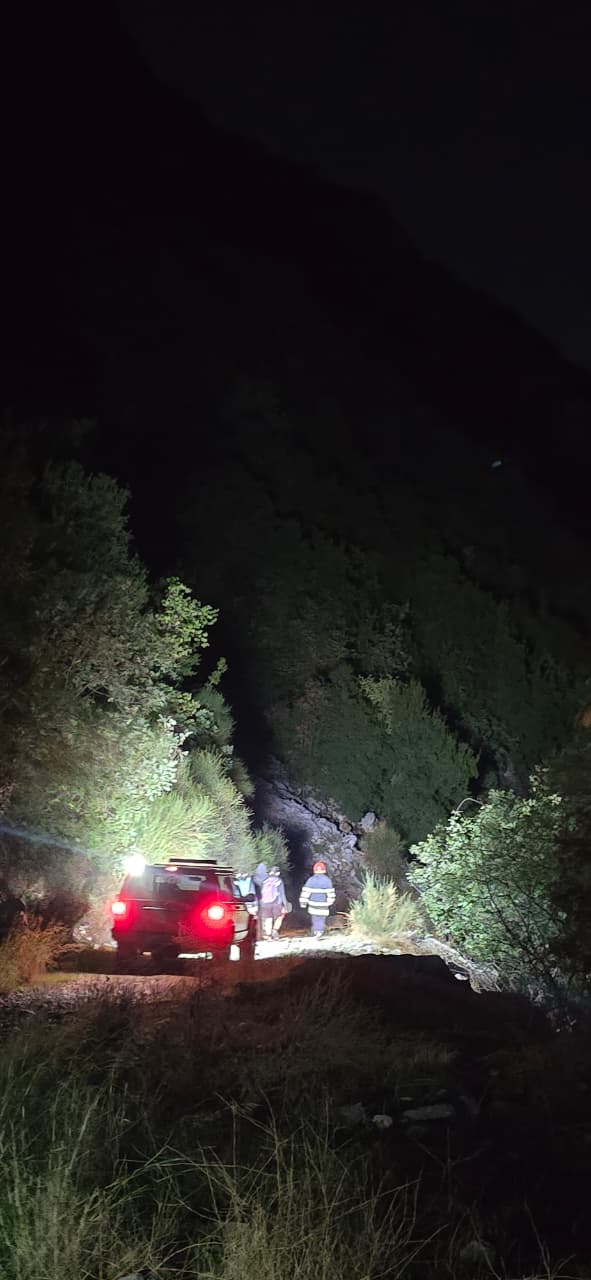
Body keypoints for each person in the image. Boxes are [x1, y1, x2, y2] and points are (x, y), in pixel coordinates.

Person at [299, 861, 335, 938]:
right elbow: (330, 892)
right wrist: (330, 901)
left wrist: (303, 903)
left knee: (315, 917)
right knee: (322, 917)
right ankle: (320, 931)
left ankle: (316, 930)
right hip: (323, 903)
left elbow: (306, 892)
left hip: (313, 903)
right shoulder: (327, 880)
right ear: (324, 870)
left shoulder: (311, 880)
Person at [260, 866, 288, 940]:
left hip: (265, 903)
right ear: (278, 873)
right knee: (280, 916)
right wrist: (285, 904)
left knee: (268, 918)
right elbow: (282, 894)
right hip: (276, 903)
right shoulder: (278, 881)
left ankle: (268, 935)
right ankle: (275, 930)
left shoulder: (265, 881)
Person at [252, 862, 268, 940]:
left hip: (254, 900)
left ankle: (257, 936)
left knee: (256, 919)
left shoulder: (254, 878)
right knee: (263, 918)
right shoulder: (266, 878)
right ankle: (262, 934)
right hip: (263, 900)